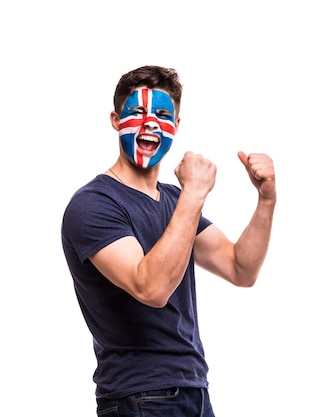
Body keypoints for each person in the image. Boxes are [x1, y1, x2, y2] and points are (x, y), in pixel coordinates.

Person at [61, 65, 277, 417]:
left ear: (176, 125)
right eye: (137, 113)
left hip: (194, 389)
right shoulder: (93, 204)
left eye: (162, 115)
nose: (150, 124)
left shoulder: (176, 202)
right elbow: (152, 288)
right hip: (139, 396)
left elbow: (241, 268)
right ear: (116, 120)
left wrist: (266, 200)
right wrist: (194, 194)